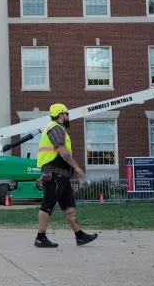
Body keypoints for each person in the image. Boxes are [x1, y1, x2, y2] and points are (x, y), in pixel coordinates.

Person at [34, 103, 98, 248]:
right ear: (61, 115)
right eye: (67, 114)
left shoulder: (59, 129)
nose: (69, 117)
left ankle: (80, 236)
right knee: (47, 204)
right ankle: (40, 237)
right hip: (54, 173)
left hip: (62, 175)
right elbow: (62, 150)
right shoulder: (55, 128)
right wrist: (77, 167)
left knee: (69, 206)